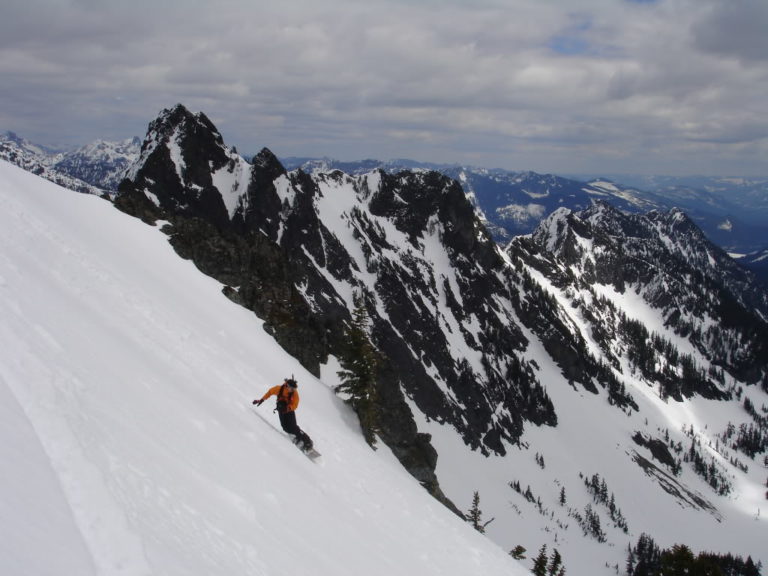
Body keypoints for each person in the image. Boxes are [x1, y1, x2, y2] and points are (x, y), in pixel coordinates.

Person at [253, 377, 313, 450]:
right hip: (281, 409)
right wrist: (261, 400)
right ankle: (298, 437)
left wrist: (288, 408)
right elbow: (269, 392)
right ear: (287, 385)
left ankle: (307, 441)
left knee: (293, 427)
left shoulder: (295, 394)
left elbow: (295, 404)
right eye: (291, 388)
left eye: (293, 389)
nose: (292, 390)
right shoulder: (278, 389)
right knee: (285, 427)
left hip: (289, 410)